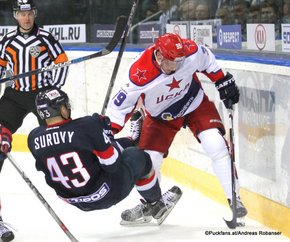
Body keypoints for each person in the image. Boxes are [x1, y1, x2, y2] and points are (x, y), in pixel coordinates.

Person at [105, 33, 248, 225]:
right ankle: (151, 205)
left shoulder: (189, 52)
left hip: (194, 104)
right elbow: (119, 108)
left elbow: (206, 60)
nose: (180, 65)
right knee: (148, 162)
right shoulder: (140, 73)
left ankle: (234, 198)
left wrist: (222, 79)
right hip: (160, 117)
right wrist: (105, 133)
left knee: (216, 144)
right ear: (160, 56)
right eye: (174, 62)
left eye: (182, 60)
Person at [27, 88, 182, 226]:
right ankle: (157, 205)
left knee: (91, 152)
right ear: (61, 108)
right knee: (136, 156)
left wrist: (99, 136)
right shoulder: (87, 125)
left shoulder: (33, 137)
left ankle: (131, 139)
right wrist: (102, 132)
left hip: (74, 201)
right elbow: (112, 164)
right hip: (105, 194)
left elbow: (62, 151)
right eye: (65, 105)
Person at [0, 1, 69, 241]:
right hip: (14, 96)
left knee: (59, 140)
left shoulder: (46, 38)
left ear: (34, 14)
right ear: (16, 15)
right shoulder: (7, 40)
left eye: (29, 13)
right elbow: (0, 66)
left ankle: (70, 183)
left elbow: (62, 62)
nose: (26, 18)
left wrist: (54, 88)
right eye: (22, 14)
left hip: (42, 95)